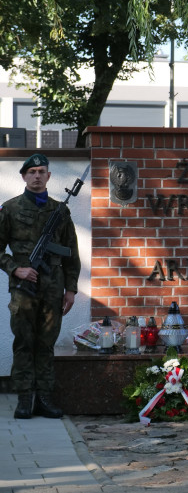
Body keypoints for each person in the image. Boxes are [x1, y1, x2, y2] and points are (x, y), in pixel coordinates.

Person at [0, 154, 80, 419]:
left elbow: (71, 253)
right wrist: (16, 268)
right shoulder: (9, 209)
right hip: (23, 288)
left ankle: (44, 398)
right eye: (31, 171)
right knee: (24, 343)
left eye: (41, 171)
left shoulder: (61, 211)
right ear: (23, 176)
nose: (36, 175)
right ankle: (25, 399)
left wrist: (71, 289)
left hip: (53, 288)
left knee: (46, 344)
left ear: (48, 176)